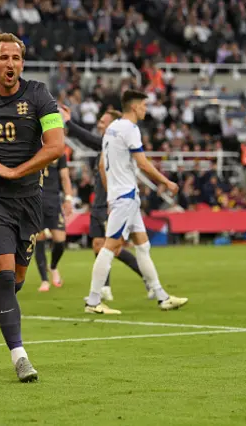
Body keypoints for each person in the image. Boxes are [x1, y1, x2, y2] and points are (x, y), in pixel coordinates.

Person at [0, 33, 65, 382]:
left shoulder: (39, 95)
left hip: (28, 199)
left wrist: (15, 171)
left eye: (16, 59)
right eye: (3, 58)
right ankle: (20, 356)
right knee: (4, 277)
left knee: (17, 280)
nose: (10, 64)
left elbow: (56, 147)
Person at [85, 90, 188, 314]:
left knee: (143, 245)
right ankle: (93, 301)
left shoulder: (111, 130)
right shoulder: (130, 129)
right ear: (134, 107)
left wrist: (111, 191)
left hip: (121, 195)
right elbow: (142, 163)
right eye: (143, 106)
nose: (145, 110)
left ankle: (161, 295)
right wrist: (166, 182)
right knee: (110, 246)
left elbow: (103, 165)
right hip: (126, 196)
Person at [59, 105, 151, 302]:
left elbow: (89, 140)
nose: (99, 124)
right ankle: (107, 287)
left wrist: (68, 123)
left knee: (112, 248)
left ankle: (146, 279)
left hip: (112, 202)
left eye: (103, 121)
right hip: (100, 203)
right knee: (98, 245)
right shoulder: (106, 145)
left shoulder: (113, 142)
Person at [35, 153, 73, 292]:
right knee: (39, 239)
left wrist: (68, 198)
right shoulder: (32, 147)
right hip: (35, 200)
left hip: (53, 201)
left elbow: (65, 177)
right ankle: (44, 280)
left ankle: (53, 266)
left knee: (60, 240)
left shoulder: (58, 151)